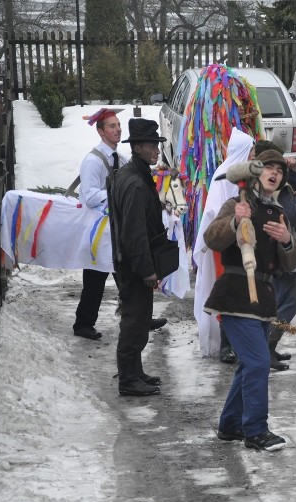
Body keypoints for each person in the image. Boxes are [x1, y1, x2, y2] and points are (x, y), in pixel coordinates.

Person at [203, 150, 296, 450]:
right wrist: (235, 222)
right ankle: (256, 429)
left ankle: (231, 424)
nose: (275, 173)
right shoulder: (236, 204)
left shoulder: (278, 213)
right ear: (255, 173)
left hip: (264, 298)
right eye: (269, 168)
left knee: (249, 365)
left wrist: (287, 240)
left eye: (280, 170)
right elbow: (211, 238)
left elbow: (290, 263)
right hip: (235, 294)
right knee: (259, 363)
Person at [73, 108, 166, 340]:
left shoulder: (122, 157)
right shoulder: (92, 161)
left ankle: (140, 317)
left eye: (118, 125)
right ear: (101, 131)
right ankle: (83, 324)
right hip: (99, 231)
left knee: (125, 276)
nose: (117, 129)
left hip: (116, 229)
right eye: (111, 126)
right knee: (95, 278)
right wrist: (116, 196)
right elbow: (91, 197)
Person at [110, 119, 169, 397]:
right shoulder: (134, 182)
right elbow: (134, 233)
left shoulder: (135, 172)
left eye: (157, 145)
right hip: (134, 266)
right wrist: (147, 270)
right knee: (135, 322)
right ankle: (128, 380)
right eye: (150, 146)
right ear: (137, 147)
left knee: (138, 318)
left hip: (132, 262)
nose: (156, 150)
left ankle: (135, 372)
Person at [193, 128, 255, 363]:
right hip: (225, 245)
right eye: (250, 151)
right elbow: (214, 212)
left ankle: (241, 341)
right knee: (227, 292)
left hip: (244, 243)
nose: (253, 155)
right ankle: (226, 344)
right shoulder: (224, 175)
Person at [253, 140, 296, 371]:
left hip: (280, 253)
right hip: (281, 256)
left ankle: (269, 347)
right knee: (290, 302)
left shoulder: (270, 183)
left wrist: (294, 174)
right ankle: (267, 345)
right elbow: (291, 215)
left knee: (280, 303)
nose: (277, 170)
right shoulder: (270, 189)